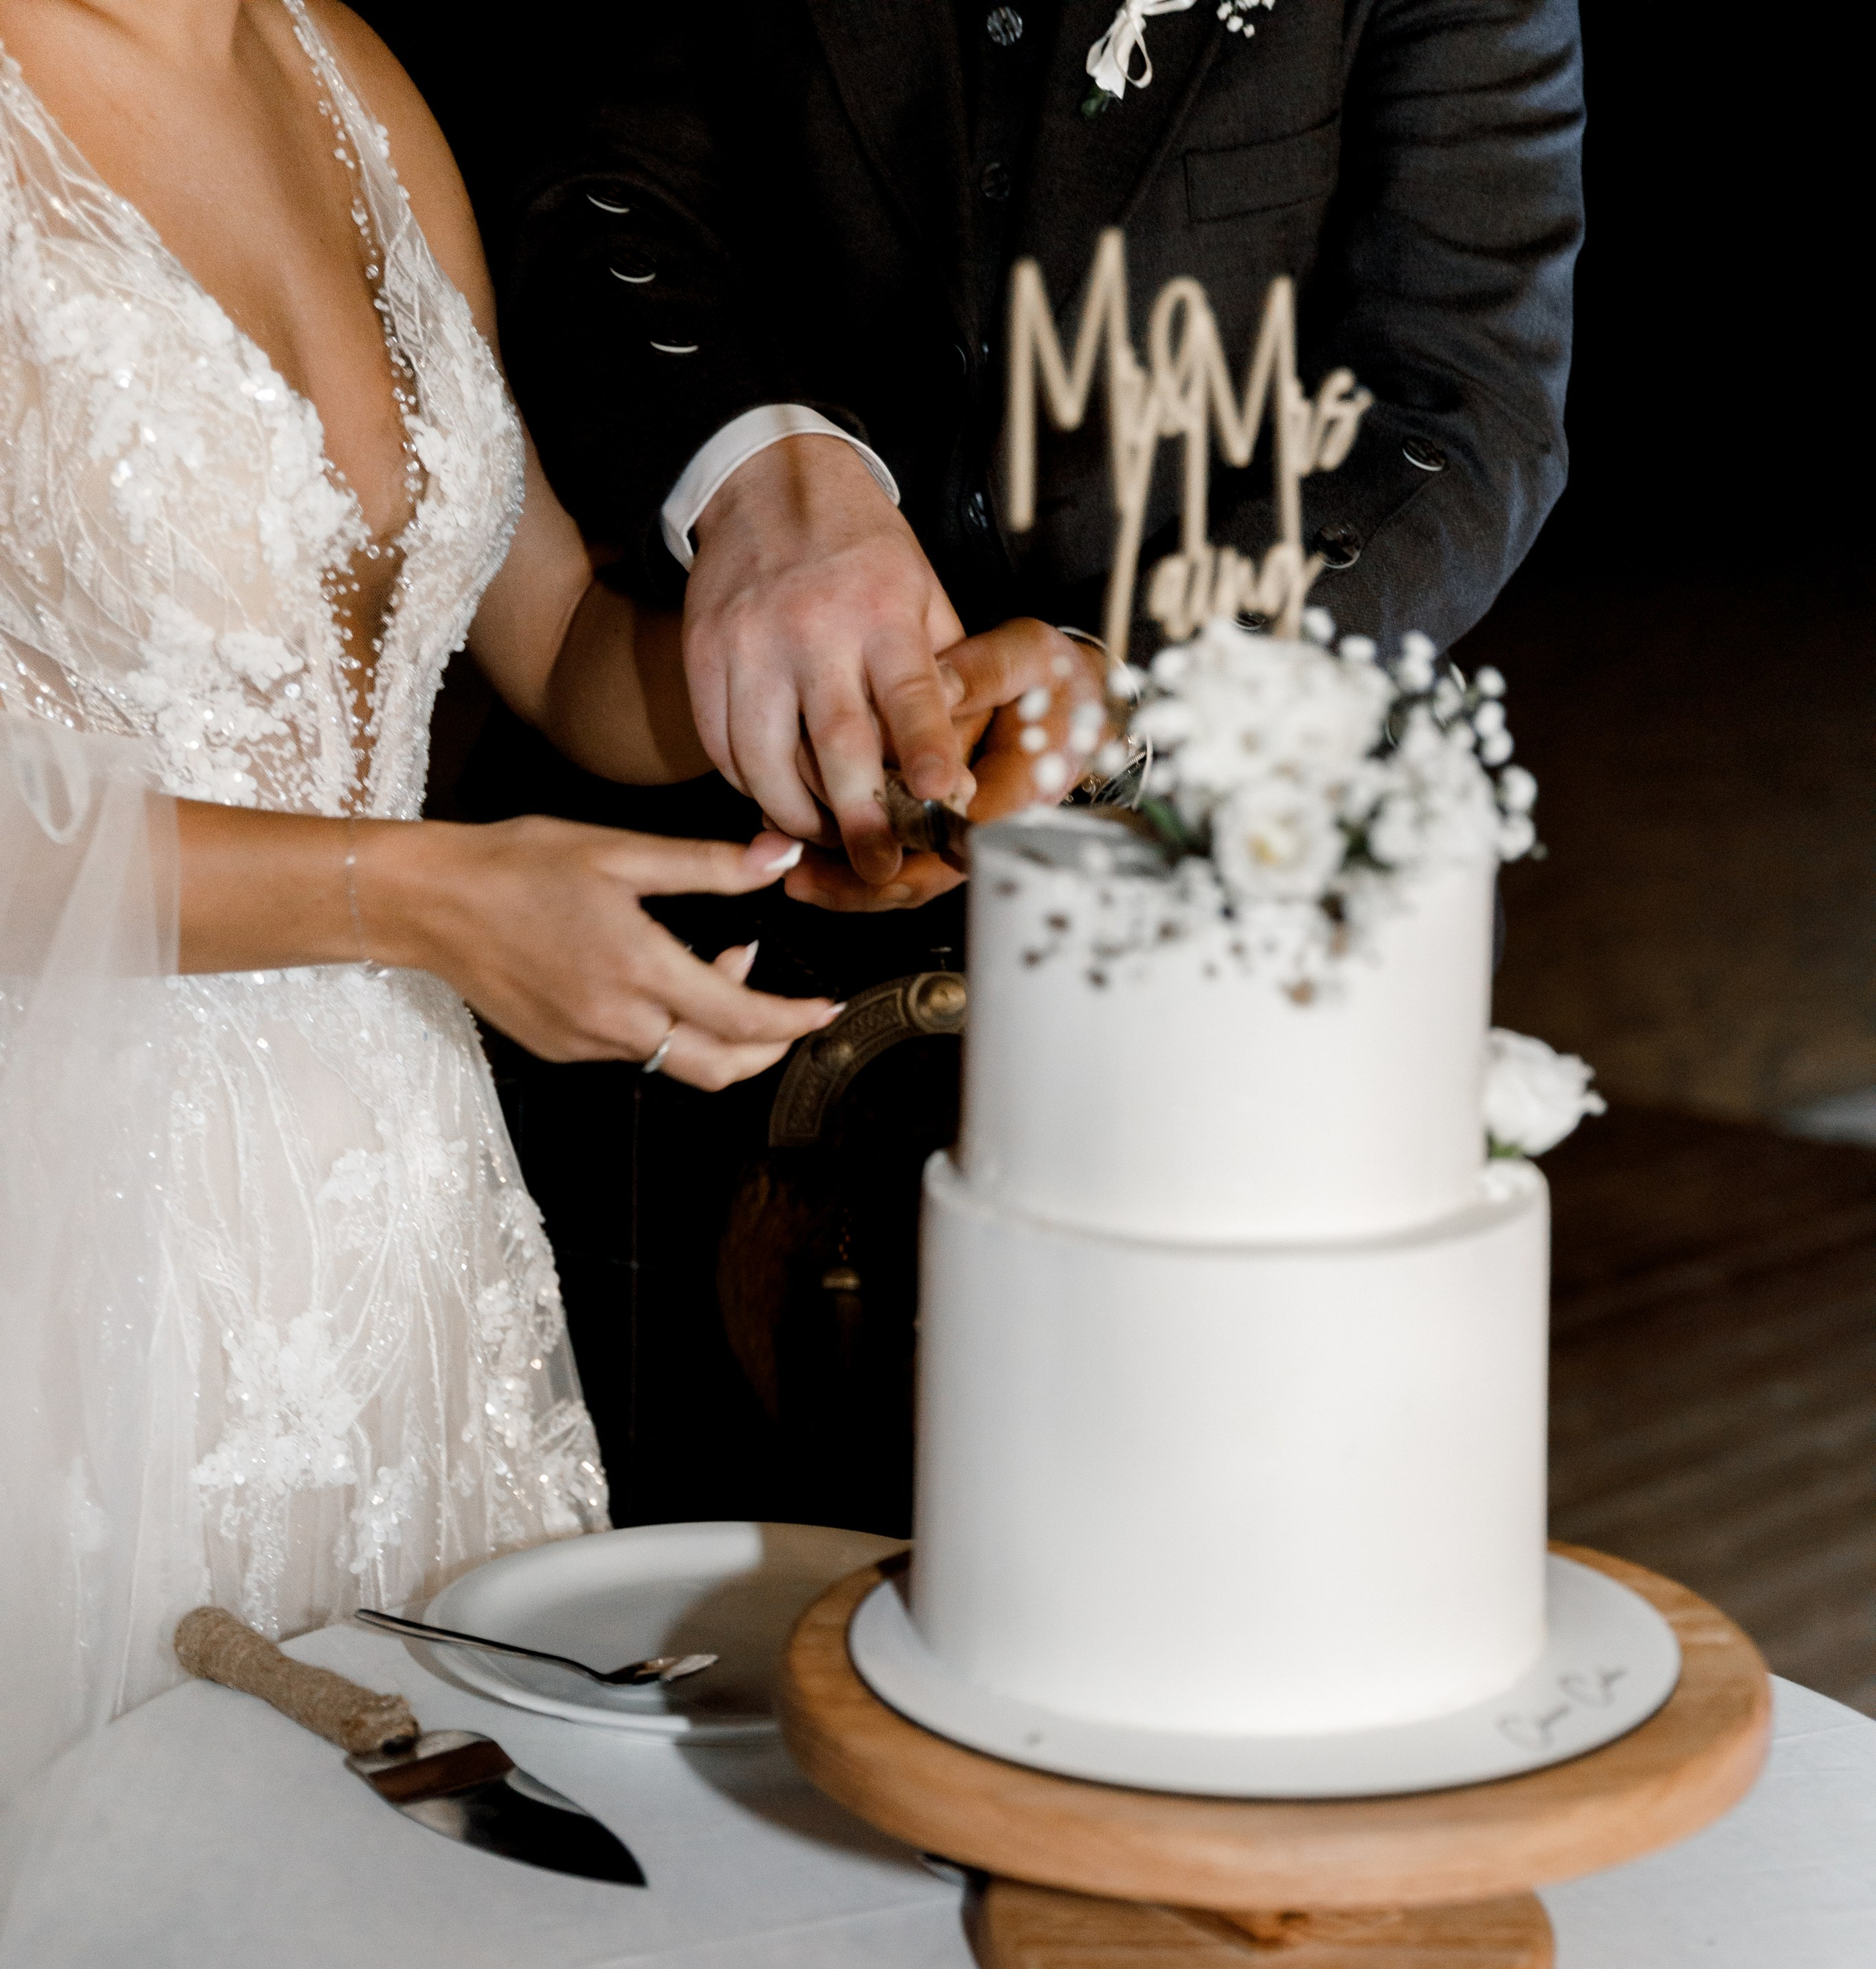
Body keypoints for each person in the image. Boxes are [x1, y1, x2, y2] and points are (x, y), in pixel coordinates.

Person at [0, 0, 1090, 1781]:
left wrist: (829, 731)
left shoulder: (337, 69)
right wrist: (418, 899)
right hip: (58, 1241)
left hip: (402, 1226)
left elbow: (552, 636)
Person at [377, 0, 1585, 1518]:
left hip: (1214, 918)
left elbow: (1462, 399)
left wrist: (1130, 690)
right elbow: (587, 171)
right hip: (684, 871)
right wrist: (759, 471)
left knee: (1171, 1580)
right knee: (648, 1595)